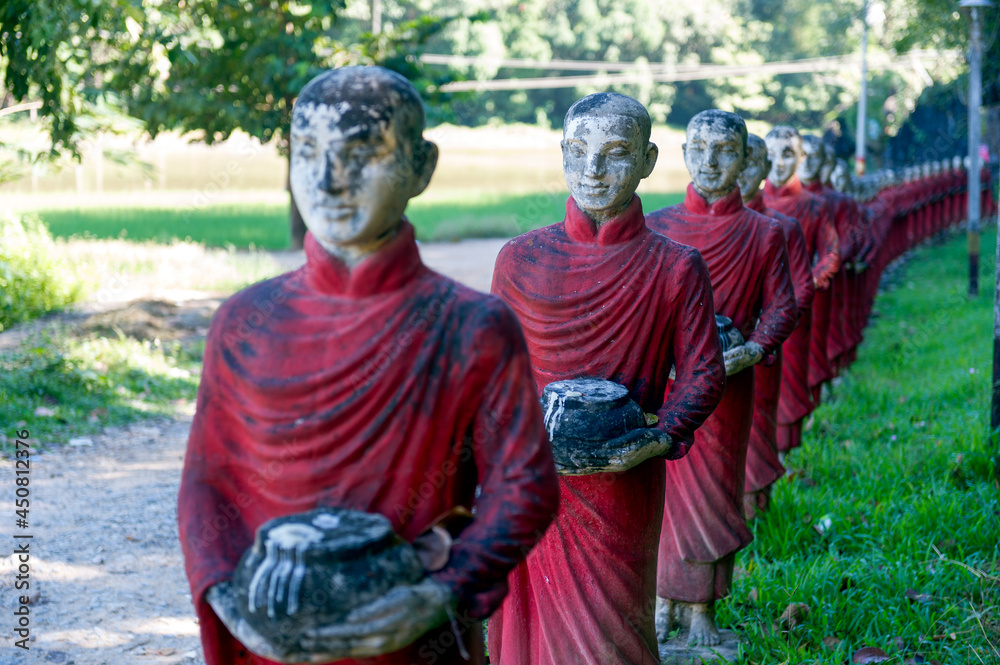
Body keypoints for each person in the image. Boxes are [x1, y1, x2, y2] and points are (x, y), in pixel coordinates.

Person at [177, 66, 560, 665]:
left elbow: (525, 486)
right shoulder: (244, 321)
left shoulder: (471, 326)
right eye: (308, 152)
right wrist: (229, 602)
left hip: (412, 639)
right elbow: (207, 485)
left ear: (421, 167)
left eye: (363, 152)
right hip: (273, 636)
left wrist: (441, 592)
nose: (330, 181)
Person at [488, 92, 726, 665]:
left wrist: (658, 436)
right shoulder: (519, 259)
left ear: (647, 160)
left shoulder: (675, 265)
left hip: (625, 483)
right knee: (531, 631)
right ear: (563, 154)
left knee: (612, 640)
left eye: (615, 153)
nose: (592, 170)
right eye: (579, 151)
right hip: (532, 480)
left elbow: (703, 372)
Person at [647, 111, 797, 646]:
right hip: (669, 388)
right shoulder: (659, 226)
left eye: (725, 151)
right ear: (684, 154)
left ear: (744, 160)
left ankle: (704, 609)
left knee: (714, 497)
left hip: (730, 391)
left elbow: (782, 306)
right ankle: (662, 602)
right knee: (664, 496)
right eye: (699, 148)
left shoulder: (763, 233)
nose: (710, 162)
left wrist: (755, 349)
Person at [738, 134, 815, 518]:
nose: (738, 172)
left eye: (750, 162)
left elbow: (802, 287)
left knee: (756, 428)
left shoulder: (781, 227)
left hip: (759, 353)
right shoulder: (682, 228)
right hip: (710, 356)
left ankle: (758, 514)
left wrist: (764, 333)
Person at [763, 126, 840, 454]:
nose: (779, 163)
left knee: (791, 382)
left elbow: (831, 253)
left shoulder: (813, 205)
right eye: (771, 155)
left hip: (797, 309)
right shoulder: (753, 204)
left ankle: (788, 453)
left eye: (788, 154)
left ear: (802, 158)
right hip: (756, 316)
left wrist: (806, 287)